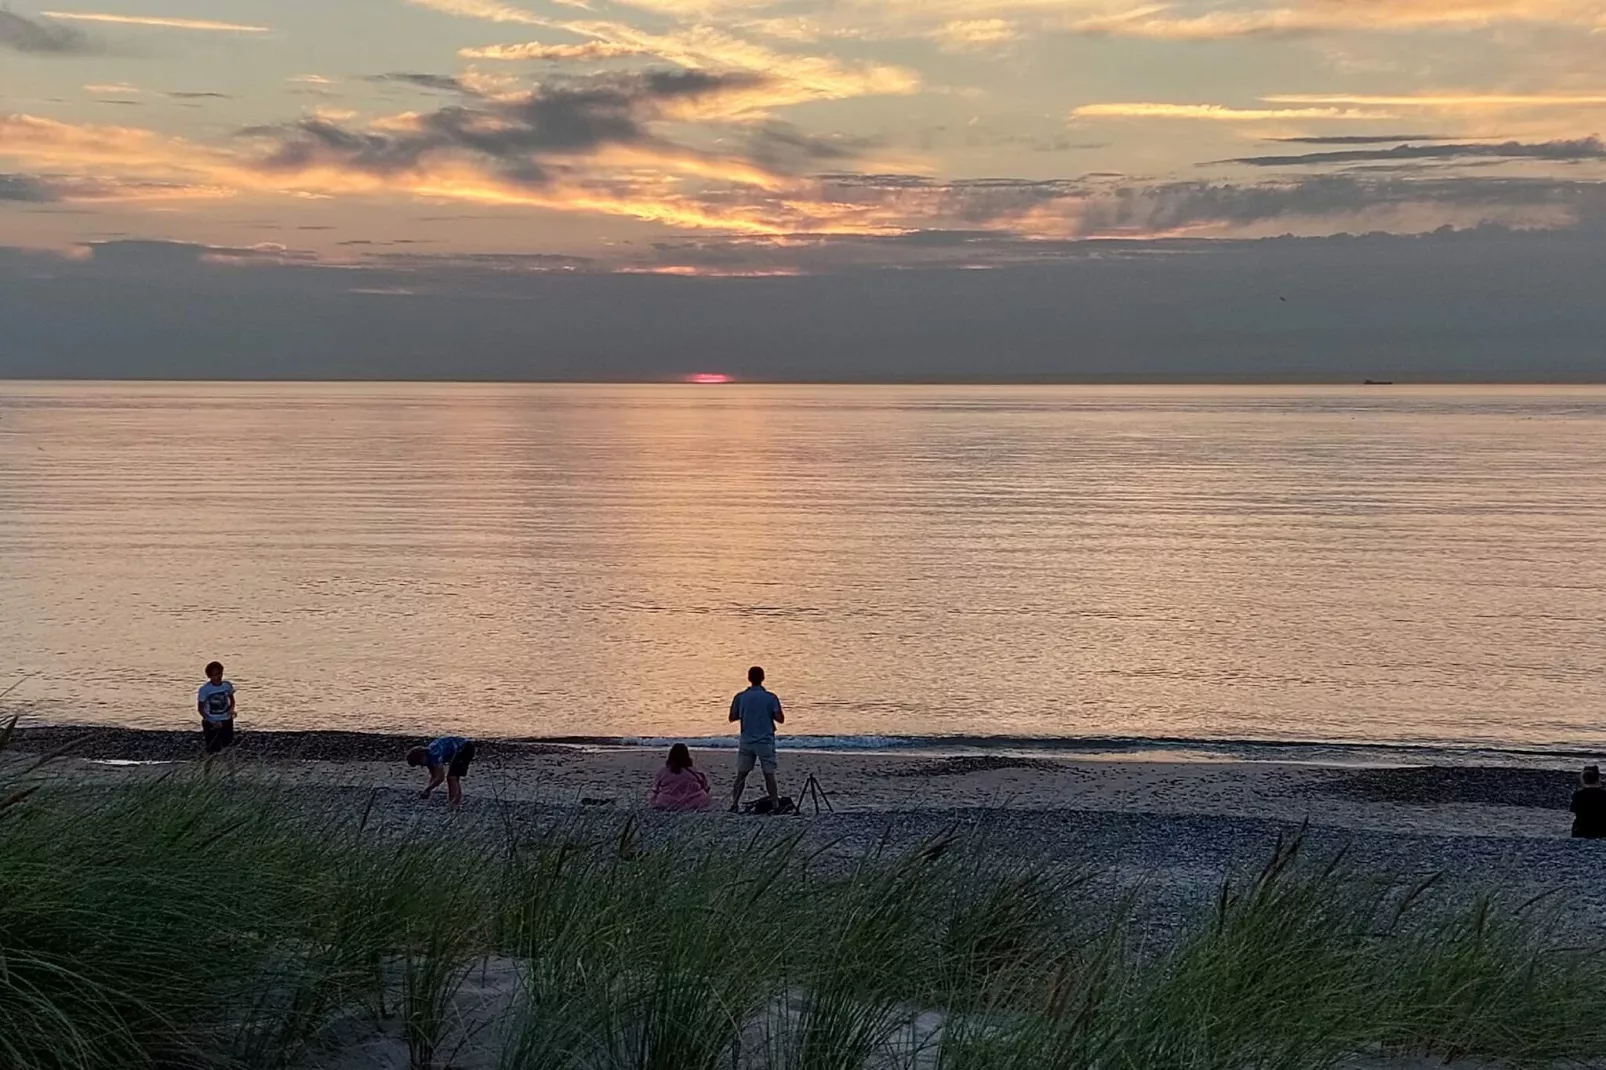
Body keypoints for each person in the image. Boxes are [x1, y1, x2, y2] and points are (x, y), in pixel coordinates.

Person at [729, 665, 784, 811]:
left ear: (749, 678)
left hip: (746, 740)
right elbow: (780, 719)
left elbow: (732, 717)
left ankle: (734, 803)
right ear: (763, 678)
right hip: (765, 740)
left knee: (741, 774)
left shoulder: (740, 697)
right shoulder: (770, 697)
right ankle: (775, 805)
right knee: (769, 774)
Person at [407, 736, 477, 807]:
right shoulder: (428, 757)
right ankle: (455, 802)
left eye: (420, 763)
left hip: (465, 747)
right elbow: (434, 776)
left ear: (422, 757)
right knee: (453, 777)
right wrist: (429, 790)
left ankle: (454, 804)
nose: (422, 766)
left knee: (452, 777)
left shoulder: (433, 754)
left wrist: (427, 789)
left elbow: (440, 778)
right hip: (462, 748)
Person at [650, 743, 713, 811]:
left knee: (659, 796)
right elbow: (705, 787)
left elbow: (656, 789)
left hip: (668, 802)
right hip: (693, 801)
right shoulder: (695, 770)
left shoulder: (663, 771)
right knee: (703, 795)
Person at [197, 660, 236, 754]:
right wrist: (211, 721)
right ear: (209, 676)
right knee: (211, 750)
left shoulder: (227, 685)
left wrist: (231, 710)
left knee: (228, 748)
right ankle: (208, 768)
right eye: (214, 675)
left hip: (226, 720)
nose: (218, 677)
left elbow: (232, 700)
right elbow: (200, 709)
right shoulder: (205, 689)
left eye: (219, 674)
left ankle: (231, 768)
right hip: (212, 722)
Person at [1571, 765, 1606, 839]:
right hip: (1601, 829)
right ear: (1598, 779)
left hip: (1581, 829)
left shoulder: (1578, 795)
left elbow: (1573, 809)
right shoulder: (1604, 794)